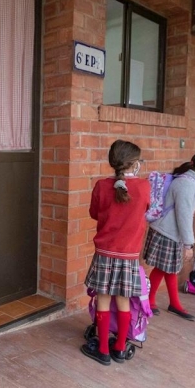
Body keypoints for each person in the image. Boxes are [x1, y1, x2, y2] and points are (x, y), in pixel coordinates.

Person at [80, 140, 150, 365]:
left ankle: (102, 350)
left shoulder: (101, 186)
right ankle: (120, 347)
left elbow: (94, 213)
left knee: (103, 298)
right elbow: (147, 210)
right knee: (124, 300)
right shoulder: (144, 187)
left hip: (105, 253)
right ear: (134, 163)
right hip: (128, 255)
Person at [144, 151, 195, 322]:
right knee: (166, 268)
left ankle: (165, 303)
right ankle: (160, 303)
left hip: (169, 231)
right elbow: (183, 216)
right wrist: (189, 244)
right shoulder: (187, 183)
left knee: (168, 269)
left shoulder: (189, 181)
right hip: (167, 231)